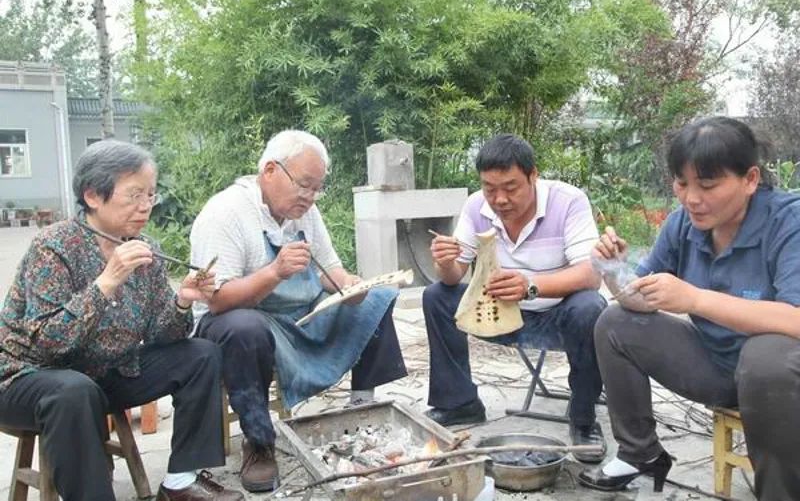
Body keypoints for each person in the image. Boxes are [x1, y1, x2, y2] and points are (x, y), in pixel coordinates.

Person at [0, 140, 243, 501]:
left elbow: (163, 335)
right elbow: (46, 343)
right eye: (134, 195)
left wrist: (181, 301)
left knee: (200, 354)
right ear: (93, 196)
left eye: (150, 195)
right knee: (72, 390)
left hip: (104, 373)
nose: (145, 206)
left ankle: (179, 482)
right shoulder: (53, 247)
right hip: (29, 378)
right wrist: (105, 283)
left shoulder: (145, 249)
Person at [578, 117, 800, 499]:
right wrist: (612, 270)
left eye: (708, 185)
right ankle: (640, 453)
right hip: (719, 367)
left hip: (781, 378)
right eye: (682, 183)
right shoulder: (684, 224)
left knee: (765, 355)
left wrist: (696, 299)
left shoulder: (789, 221)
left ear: (750, 179)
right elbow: (637, 298)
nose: (691, 198)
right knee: (615, 322)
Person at [190, 129, 408, 492]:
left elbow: (330, 269)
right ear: (271, 170)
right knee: (245, 328)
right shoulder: (226, 213)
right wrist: (274, 272)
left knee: (376, 296)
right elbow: (217, 299)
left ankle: (363, 407)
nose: (310, 197)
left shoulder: (304, 214)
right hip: (236, 320)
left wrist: (350, 286)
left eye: (317, 188)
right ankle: (259, 442)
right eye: (304, 185)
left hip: (296, 315)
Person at [423, 133, 608, 464]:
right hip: (497, 312)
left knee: (591, 307)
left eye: (510, 188)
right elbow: (452, 277)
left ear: (533, 175)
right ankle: (459, 402)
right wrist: (444, 260)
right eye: (489, 188)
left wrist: (530, 286)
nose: (499, 199)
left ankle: (583, 419)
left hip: (556, 315)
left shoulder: (568, 201)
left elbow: (591, 275)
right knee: (437, 296)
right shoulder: (476, 206)